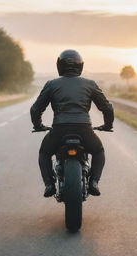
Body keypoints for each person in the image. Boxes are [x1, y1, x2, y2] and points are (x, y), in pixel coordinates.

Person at [30, 49, 114, 197]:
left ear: (59, 66)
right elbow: (107, 107)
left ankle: (49, 185)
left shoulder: (51, 84)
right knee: (98, 151)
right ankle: (94, 182)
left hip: (59, 129)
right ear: (80, 66)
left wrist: (38, 125)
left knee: (44, 153)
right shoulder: (90, 83)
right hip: (84, 129)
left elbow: (36, 109)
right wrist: (107, 125)